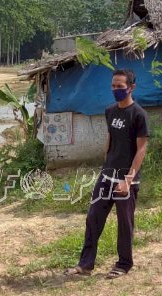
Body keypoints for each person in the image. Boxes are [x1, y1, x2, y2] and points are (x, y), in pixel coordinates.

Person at [64, 69, 150, 280]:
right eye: (113, 86)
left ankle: (124, 264)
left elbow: (141, 149)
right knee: (93, 218)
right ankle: (85, 265)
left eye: (120, 86)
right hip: (107, 175)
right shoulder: (110, 111)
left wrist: (128, 179)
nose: (116, 90)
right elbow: (110, 138)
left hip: (125, 180)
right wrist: (106, 163)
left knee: (124, 223)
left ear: (131, 87)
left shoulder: (139, 114)